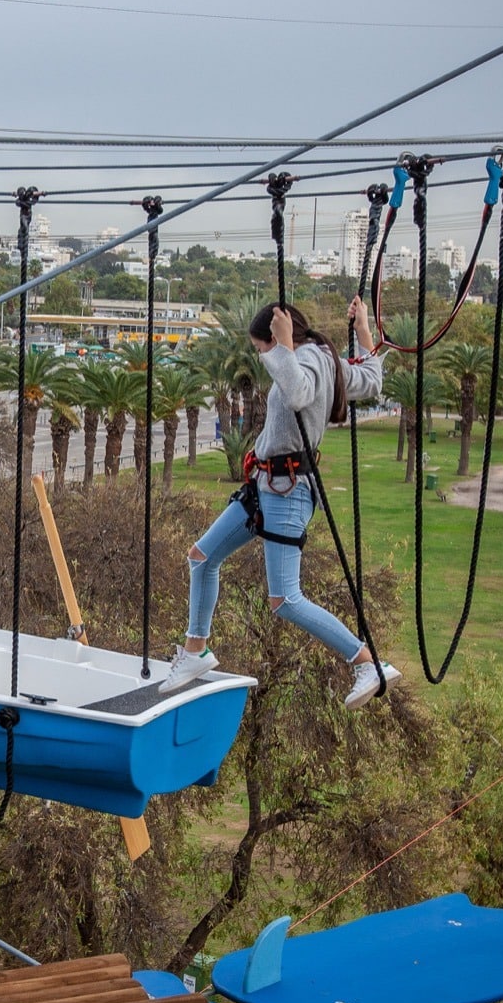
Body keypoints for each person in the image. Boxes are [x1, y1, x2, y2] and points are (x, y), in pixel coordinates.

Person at [161, 296, 399, 707]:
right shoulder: (325, 359)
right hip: (266, 485)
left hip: (289, 490)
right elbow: (372, 380)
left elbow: (296, 394)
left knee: (286, 599)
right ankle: (195, 650)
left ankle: (366, 662)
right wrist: (363, 332)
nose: (262, 358)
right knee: (201, 557)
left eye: (260, 349)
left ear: (275, 338)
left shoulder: (306, 361)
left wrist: (283, 346)